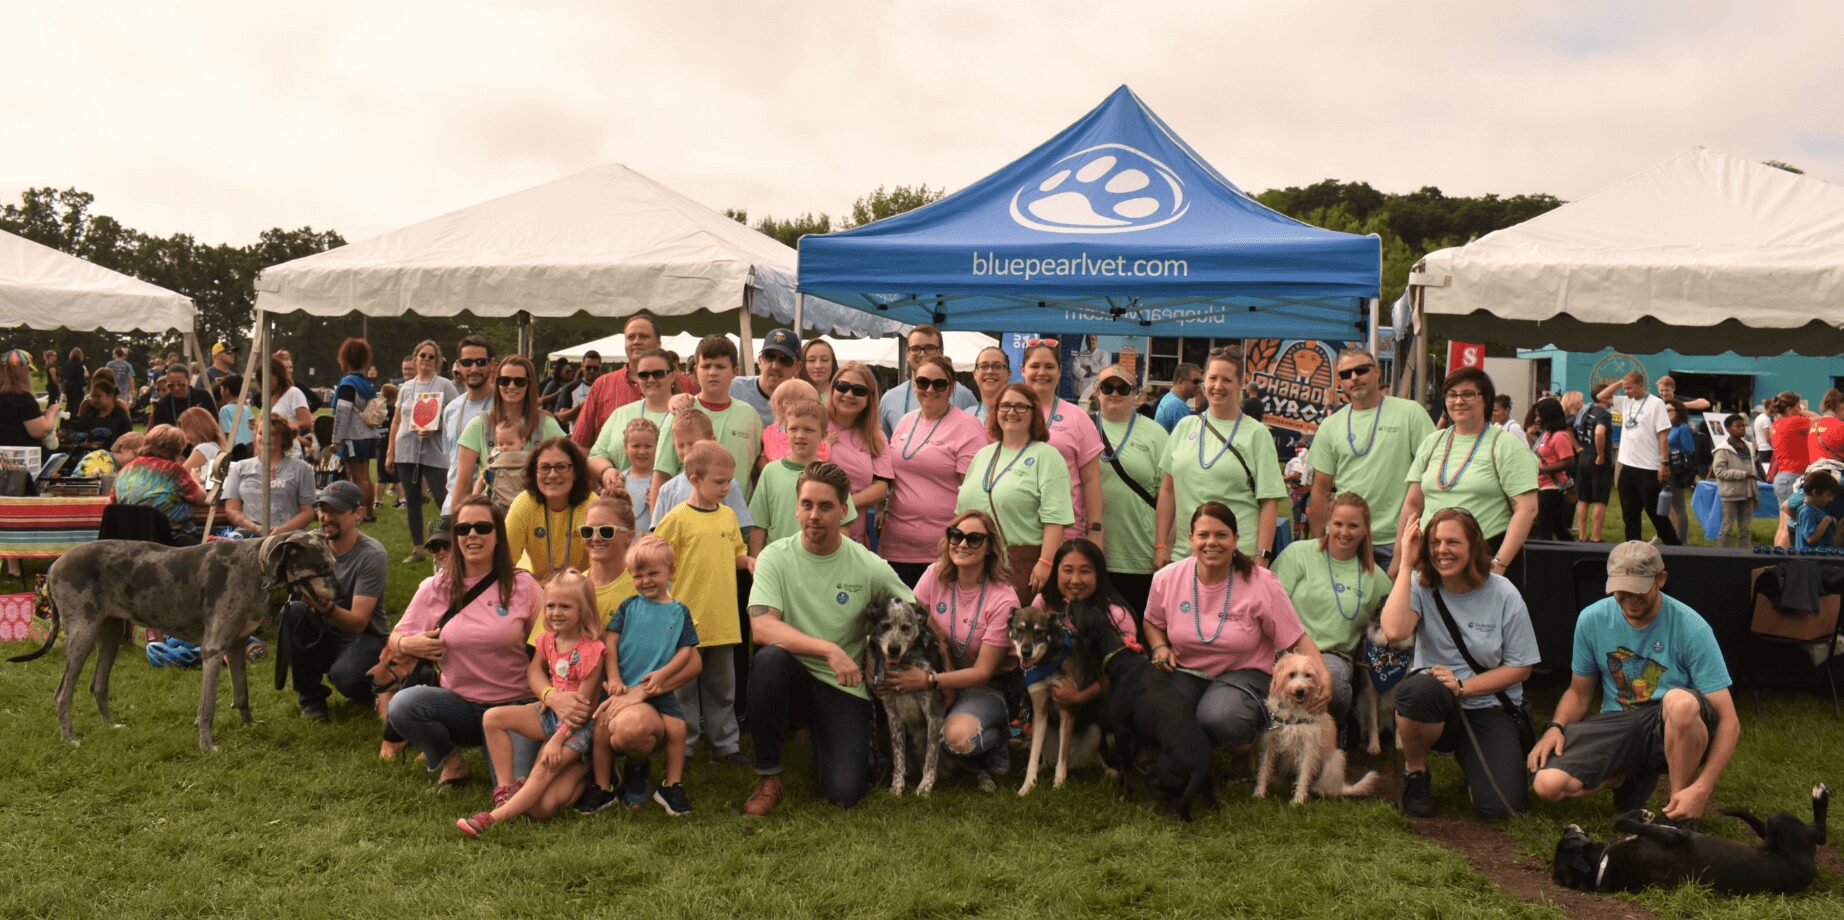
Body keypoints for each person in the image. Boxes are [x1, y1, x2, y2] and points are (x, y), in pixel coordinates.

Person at [742, 462, 915, 814]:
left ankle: (832, 736)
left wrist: (875, 655)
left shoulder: (867, 565)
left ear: (844, 509)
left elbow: (912, 612)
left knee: (843, 793)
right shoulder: (775, 556)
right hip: (792, 673)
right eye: (807, 505)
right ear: (796, 508)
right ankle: (768, 774)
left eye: (825, 506)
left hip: (843, 682)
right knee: (768, 660)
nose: (814, 515)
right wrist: (828, 649)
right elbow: (762, 627)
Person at [1530, 541, 1739, 820]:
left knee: (1679, 702)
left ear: (1660, 580)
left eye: (1637, 591)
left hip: (1672, 725)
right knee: (1547, 785)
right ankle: (1628, 780)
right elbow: (1579, 693)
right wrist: (1555, 727)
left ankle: (1678, 811)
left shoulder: (1692, 627)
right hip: (1619, 723)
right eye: (1621, 590)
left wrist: (1703, 787)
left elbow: (1729, 720)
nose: (1628, 599)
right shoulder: (1591, 619)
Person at [1384, 508, 1540, 819]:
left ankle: (1476, 763)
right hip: (1435, 700)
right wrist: (1405, 564)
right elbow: (1394, 631)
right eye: (1435, 542)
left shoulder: (1503, 592)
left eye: (1453, 542)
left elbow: (1521, 667)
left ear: (1473, 546)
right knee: (1417, 691)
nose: (1442, 550)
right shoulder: (1421, 583)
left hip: (1487, 704)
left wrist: (1463, 687)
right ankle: (1415, 773)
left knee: (1500, 808)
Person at [1146, 502, 1332, 753]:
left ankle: (1245, 742)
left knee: (1219, 717)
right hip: (1188, 671)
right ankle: (1190, 749)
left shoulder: (1261, 582)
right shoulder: (1166, 578)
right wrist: (1159, 647)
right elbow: (1152, 622)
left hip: (1245, 671)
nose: (1212, 542)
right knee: (1159, 704)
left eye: (1221, 535)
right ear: (1191, 539)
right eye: (1203, 535)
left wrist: (1325, 678)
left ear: (1235, 540)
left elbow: (1296, 638)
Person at [387, 496, 544, 788]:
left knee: (516, 788)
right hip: (459, 706)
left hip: (515, 707)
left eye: (483, 527)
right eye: (463, 529)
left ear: (498, 536)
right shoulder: (435, 587)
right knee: (403, 705)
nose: (472, 535)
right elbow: (395, 637)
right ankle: (452, 762)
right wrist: (409, 645)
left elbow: (550, 647)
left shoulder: (523, 586)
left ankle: (506, 749)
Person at [458, 569, 606, 836]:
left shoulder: (592, 651)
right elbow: (535, 672)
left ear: (583, 610)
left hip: (576, 729)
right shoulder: (548, 640)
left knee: (540, 795)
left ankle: (491, 819)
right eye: (550, 605)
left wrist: (556, 741)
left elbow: (582, 708)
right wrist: (547, 694)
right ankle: (506, 790)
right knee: (493, 718)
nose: (556, 612)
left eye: (565, 606)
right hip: (549, 714)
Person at [654, 441, 755, 767]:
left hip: (723, 620)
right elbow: (658, 558)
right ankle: (682, 746)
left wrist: (749, 562)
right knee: (682, 690)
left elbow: (736, 552)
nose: (726, 488)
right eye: (719, 481)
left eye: (729, 481)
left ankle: (725, 746)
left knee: (722, 688)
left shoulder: (727, 517)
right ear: (695, 478)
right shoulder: (677, 518)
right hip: (686, 623)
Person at [585, 535, 702, 815]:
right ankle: (603, 788)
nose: (646, 581)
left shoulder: (679, 612)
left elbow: (686, 651)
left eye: (653, 573)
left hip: (657, 689)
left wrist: (664, 673)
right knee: (601, 731)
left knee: (678, 729)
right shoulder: (628, 607)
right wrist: (613, 678)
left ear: (671, 572)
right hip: (623, 685)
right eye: (638, 576)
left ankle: (671, 785)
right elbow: (610, 642)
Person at [902, 510, 1020, 787]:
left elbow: (982, 672)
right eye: (956, 535)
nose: (963, 544)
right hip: (944, 675)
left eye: (974, 538)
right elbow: (913, 616)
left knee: (955, 739)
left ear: (990, 547)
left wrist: (929, 681)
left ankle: (998, 740)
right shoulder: (934, 574)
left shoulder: (1003, 598)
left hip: (991, 686)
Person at [1156, 347, 1285, 570]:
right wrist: (1161, 545)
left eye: (1226, 379)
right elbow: (1168, 491)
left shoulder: (1256, 434)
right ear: (1204, 380)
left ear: (1240, 383)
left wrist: (1262, 556)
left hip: (1236, 559)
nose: (1217, 386)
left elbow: (1269, 501)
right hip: (1185, 557)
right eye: (1212, 378)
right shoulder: (1185, 427)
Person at [1309, 347, 1435, 571]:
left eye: (1361, 370)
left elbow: (1431, 474)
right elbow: (1320, 488)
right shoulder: (1330, 426)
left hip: (1397, 539)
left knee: (1397, 606)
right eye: (1347, 374)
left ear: (1377, 372)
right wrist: (1318, 541)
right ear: (1340, 381)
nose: (1354, 377)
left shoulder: (1410, 413)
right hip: (1346, 539)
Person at [1401, 367, 1540, 568]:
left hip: (1484, 559)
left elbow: (1527, 509)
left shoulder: (1505, 444)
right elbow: (1413, 505)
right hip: (1430, 559)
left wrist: (1499, 564)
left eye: (1468, 394)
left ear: (1486, 400)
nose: (1458, 401)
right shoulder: (1433, 442)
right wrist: (1401, 557)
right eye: (1452, 395)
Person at [275, 480, 390, 720]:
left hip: (364, 636)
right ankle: (311, 701)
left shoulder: (372, 555)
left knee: (346, 678)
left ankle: (373, 687)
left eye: (335, 511)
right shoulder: (311, 544)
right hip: (324, 628)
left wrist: (325, 608)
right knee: (292, 612)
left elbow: (359, 622)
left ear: (358, 513)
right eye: (322, 510)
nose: (326, 518)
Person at [1272, 492, 1389, 719]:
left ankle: (1327, 731)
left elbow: (1392, 621)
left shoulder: (1376, 578)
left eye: (1353, 526)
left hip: (1333, 656)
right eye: (1338, 524)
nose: (1344, 532)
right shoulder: (1299, 554)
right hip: (1287, 648)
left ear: (1366, 530)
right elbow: (1271, 603)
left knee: (1334, 685)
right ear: (1328, 524)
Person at [884, 355, 997, 586]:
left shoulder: (967, 426)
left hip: (942, 549)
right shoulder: (905, 422)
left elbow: (974, 494)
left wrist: (957, 543)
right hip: (896, 544)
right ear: (914, 384)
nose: (930, 389)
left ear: (951, 387)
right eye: (923, 382)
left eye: (939, 384)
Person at [955, 383, 1072, 599]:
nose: (1011, 412)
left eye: (1020, 406)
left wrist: (1045, 563)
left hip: (1020, 568)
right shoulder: (983, 455)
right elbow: (961, 515)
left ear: (1034, 412)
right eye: (1005, 406)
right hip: (975, 564)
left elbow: (1055, 518)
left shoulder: (1047, 456)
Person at [1091, 364, 1168, 615]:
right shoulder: (1084, 427)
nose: (1114, 393)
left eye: (1122, 388)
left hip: (1140, 554)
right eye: (1107, 387)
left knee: (1140, 630)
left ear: (1135, 393)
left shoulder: (1156, 434)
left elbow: (1168, 495)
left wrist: (1162, 545)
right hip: (1094, 553)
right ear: (1096, 392)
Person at [653, 335, 763, 500]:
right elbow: (661, 475)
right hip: (687, 517)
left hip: (736, 520)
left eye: (720, 366)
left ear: (734, 371)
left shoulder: (750, 416)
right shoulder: (681, 412)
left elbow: (756, 473)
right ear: (696, 370)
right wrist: (656, 526)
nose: (712, 372)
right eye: (706, 366)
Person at [1019, 341, 1104, 545]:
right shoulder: (1009, 413)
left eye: (1049, 366)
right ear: (1023, 370)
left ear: (1059, 371)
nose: (1042, 372)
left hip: (1065, 533)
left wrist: (1095, 531)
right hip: (1016, 531)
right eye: (1035, 366)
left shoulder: (1077, 418)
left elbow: (1091, 481)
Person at [569, 315, 694, 449]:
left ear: (658, 343)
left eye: (643, 336)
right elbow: (579, 443)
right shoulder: (602, 385)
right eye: (631, 337)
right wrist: (603, 468)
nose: (636, 342)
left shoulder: (686, 385)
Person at [452, 355, 564, 503]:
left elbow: (566, 471)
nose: (511, 386)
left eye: (519, 382)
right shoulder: (479, 425)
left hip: (536, 513)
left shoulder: (546, 425)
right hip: (492, 515)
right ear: (497, 384)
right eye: (504, 381)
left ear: (529, 385)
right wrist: (457, 522)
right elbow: (462, 484)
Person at [386, 340, 460, 560]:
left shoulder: (445, 385)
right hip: (406, 450)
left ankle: (447, 538)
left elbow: (457, 418)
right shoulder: (406, 387)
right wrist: (390, 452)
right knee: (412, 501)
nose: (426, 360)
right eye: (423, 356)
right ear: (415, 358)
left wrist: (436, 428)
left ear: (437, 361)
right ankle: (418, 547)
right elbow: (396, 422)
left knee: (442, 499)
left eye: (431, 357)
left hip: (435, 452)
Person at [749, 399, 857, 550]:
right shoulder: (770, 472)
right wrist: (757, 564)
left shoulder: (832, 475)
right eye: (793, 429)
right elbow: (759, 524)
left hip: (818, 562)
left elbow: (844, 525)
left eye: (808, 430)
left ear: (823, 435)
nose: (800, 435)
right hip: (779, 563)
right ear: (785, 432)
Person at [1597, 371, 1680, 544]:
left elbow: (1663, 435)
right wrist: (1621, 382)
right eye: (1624, 388)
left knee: (1655, 513)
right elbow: (1601, 396)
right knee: (1629, 513)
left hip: (1649, 467)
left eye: (1629, 388)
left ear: (1640, 385)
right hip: (1627, 466)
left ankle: (1674, 545)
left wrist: (1664, 463)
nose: (1626, 391)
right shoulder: (1625, 402)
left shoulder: (1656, 404)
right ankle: (1633, 548)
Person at [646, 410, 756, 534]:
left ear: (712, 441)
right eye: (680, 445)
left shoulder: (727, 485)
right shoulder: (667, 489)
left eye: (693, 444)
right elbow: (659, 534)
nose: (686, 450)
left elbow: (740, 530)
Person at [504, 438, 593, 582]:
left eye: (561, 467)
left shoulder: (593, 505)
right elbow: (505, 560)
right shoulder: (524, 503)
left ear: (575, 472)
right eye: (544, 467)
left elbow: (602, 566)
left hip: (583, 589)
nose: (552, 474)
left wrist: (566, 583)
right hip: (536, 590)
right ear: (535, 473)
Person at [588, 347, 677, 489]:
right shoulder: (620, 414)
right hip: (622, 501)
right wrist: (607, 471)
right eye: (644, 375)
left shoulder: (684, 414)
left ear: (672, 376)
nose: (651, 379)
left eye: (658, 374)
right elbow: (596, 454)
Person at [825, 362, 891, 546]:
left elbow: (881, 487)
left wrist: (843, 506)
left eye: (859, 391)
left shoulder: (876, 436)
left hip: (853, 537)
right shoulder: (816, 422)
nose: (849, 395)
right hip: (809, 530)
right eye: (842, 387)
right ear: (833, 388)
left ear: (870, 397)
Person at [110, 425, 209, 543]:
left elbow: (113, 504)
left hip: (131, 540)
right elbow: (202, 498)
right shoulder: (172, 470)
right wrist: (196, 480)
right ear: (177, 449)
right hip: (171, 540)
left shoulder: (124, 470)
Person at [221, 414, 316, 535]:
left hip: (288, 536)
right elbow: (231, 509)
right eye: (261, 433)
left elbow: (307, 512)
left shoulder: (302, 469)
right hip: (249, 535)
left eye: (271, 434)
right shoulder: (239, 468)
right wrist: (255, 528)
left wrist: (281, 530)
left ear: (283, 438)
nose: (264, 438)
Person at [879, 324, 979, 436]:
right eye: (915, 348)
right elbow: (883, 448)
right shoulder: (889, 399)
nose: (922, 354)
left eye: (930, 348)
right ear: (907, 354)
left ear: (941, 352)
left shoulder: (962, 395)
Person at [440, 335, 495, 516]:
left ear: (491, 364)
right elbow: (451, 460)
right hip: (451, 504)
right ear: (458, 365)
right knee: (435, 535)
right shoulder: (451, 410)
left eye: (480, 362)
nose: (474, 368)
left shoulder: (503, 406)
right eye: (467, 362)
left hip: (489, 506)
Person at [331, 337, 383, 521]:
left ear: (344, 358)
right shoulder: (365, 383)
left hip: (354, 436)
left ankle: (360, 515)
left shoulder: (347, 384)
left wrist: (336, 440)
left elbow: (343, 413)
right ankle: (368, 513)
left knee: (358, 478)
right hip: (368, 435)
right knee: (365, 477)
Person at [1570, 387, 1615, 543]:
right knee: (1600, 499)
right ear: (1604, 397)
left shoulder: (1586, 409)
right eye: (1611, 395)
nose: (1614, 398)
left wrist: (1577, 446)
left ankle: (1582, 536)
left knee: (1583, 499)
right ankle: (1596, 537)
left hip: (1583, 457)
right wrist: (1601, 455)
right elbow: (1599, 433)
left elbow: (1568, 426)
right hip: (1598, 460)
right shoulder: (1604, 414)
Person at [730, 328, 800, 425]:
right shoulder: (733, 389)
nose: (775, 366)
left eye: (785, 360)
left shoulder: (802, 401)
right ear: (760, 361)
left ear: (797, 367)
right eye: (770, 357)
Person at [1531, 397, 1578, 541]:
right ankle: (1573, 552)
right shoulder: (1545, 435)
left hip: (1552, 488)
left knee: (1544, 527)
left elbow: (1569, 462)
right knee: (1558, 528)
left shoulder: (1559, 436)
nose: (1536, 419)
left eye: (1539, 415)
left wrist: (1544, 471)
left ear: (1548, 415)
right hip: (1541, 486)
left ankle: (1544, 558)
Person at [1710, 413, 1757, 549]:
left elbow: (1753, 467)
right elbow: (1719, 471)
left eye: (1743, 426)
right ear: (1728, 429)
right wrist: (1743, 474)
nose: (1742, 428)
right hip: (1730, 494)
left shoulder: (1749, 446)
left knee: (1746, 529)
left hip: (1747, 493)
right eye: (1738, 426)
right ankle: (1721, 555)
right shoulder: (1722, 450)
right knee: (1727, 528)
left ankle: (1745, 555)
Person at [758, 379, 827, 465]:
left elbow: (762, 460)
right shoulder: (769, 433)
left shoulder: (769, 432)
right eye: (808, 404)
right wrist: (828, 444)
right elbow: (823, 456)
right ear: (785, 405)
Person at [0, 350, 59, 448]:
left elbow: (13, 418)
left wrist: (38, 414)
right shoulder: (23, 398)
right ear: (23, 373)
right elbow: (41, 431)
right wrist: (52, 411)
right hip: (20, 457)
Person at [1768, 390, 1817, 509]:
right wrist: (1802, 411)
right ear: (1790, 409)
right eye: (1798, 406)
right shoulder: (1794, 422)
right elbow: (1819, 419)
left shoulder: (1776, 424)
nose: (1799, 408)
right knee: (1797, 520)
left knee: (1785, 522)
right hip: (1794, 477)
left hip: (1783, 477)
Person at [1662, 399, 1698, 538]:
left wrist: (1673, 451)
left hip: (1677, 469)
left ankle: (1682, 539)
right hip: (1667, 466)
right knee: (1667, 504)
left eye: (1669, 410)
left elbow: (1689, 449)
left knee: (1678, 505)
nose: (1666, 413)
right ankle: (1668, 535)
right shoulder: (1670, 427)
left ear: (1678, 412)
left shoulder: (1683, 428)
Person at [264, 356, 315, 445]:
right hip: (271, 448)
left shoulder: (294, 392)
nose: (289, 370)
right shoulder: (268, 395)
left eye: (290, 367)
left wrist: (284, 425)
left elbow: (307, 422)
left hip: (290, 450)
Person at [618, 419, 660, 528]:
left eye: (648, 446)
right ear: (626, 447)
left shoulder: (663, 484)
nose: (642, 451)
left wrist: (659, 504)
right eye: (636, 446)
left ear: (658, 446)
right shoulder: (617, 482)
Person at [71, 378, 133, 449]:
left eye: (98, 396)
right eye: (93, 396)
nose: (94, 400)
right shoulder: (89, 414)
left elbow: (127, 444)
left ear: (110, 396)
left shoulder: (121, 418)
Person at [151, 363, 214, 430]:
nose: (176, 388)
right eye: (171, 385)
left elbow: (214, 422)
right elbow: (159, 430)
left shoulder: (203, 397)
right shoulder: (163, 404)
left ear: (189, 381)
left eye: (181, 384)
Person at [177, 406, 226, 490]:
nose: (183, 435)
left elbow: (179, 475)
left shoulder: (204, 448)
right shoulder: (214, 446)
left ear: (195, 429)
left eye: (185, 430)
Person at [1792, 470, 1842, 550]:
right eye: (1828, 495)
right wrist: (1826, 521)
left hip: (1818, 557)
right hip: (1810, 559)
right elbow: (1811, 538)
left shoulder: (1815, 510)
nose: (1831, 499)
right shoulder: (1806, 512)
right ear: (1815, 492)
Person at [553, 350, 603, 427]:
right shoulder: (570, 388)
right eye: (588, 368)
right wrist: (579, 407)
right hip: (577, 436)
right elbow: (562, 417)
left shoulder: (607, 386)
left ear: (600, 367)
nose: (592, 371)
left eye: (595, 368)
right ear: (582, 366)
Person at [968, 346, 1011, 423]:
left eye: (997, 366)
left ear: (1008, 374)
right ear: (975, 374)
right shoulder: (967, 415)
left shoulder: (1018, 414)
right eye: (984, 366)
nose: (990, 371)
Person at [1155, 363, 1201, 432]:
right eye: (1195, 382)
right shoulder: (1178, 407)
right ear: (1180, 381)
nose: (1198, 386)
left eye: (1200, 382)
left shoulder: (1168, 397)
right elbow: (1187, 439)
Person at [1753, 398, 1776, 480]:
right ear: (1769, 406)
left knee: (1762, 476)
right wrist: (1776, 448)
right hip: (1767, 451)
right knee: (1767, 477)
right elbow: (1768, 437)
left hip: (1762, 450)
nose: (1776, 406)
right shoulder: (1765, 419)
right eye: (1774, 405)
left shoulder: (1761, 418)